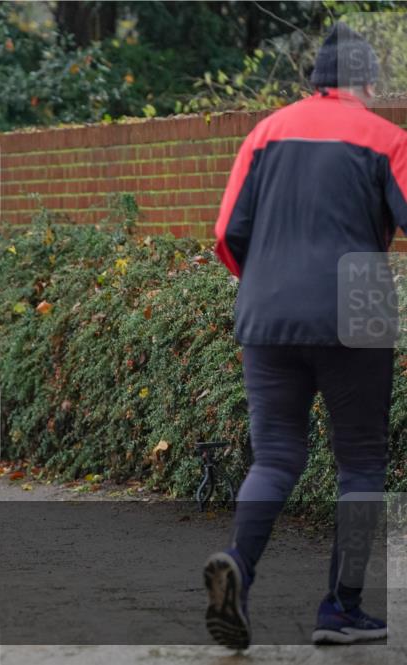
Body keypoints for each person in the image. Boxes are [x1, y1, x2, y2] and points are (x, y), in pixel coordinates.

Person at [205, 23, 406, 649]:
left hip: (267, 310)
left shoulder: (264, 133)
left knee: (276, 457)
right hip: (359, 304)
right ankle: (341, 608)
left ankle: (239, 561)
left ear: (313, 81)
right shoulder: (387, 138)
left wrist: (270, 283)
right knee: (361, 463)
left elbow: (226, 231)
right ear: (366, 82)